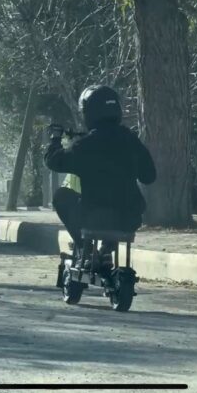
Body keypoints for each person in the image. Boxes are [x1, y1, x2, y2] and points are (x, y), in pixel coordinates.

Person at [45, 85, 156, 269]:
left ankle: (86, 249)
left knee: (61, 196)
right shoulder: (131, 140)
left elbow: (54, 162)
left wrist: (55, 140)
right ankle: (106, 250)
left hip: (93, 216)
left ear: (88, 112)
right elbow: (149, 176)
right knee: (116, 210)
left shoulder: (85, 145)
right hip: (128, 218)